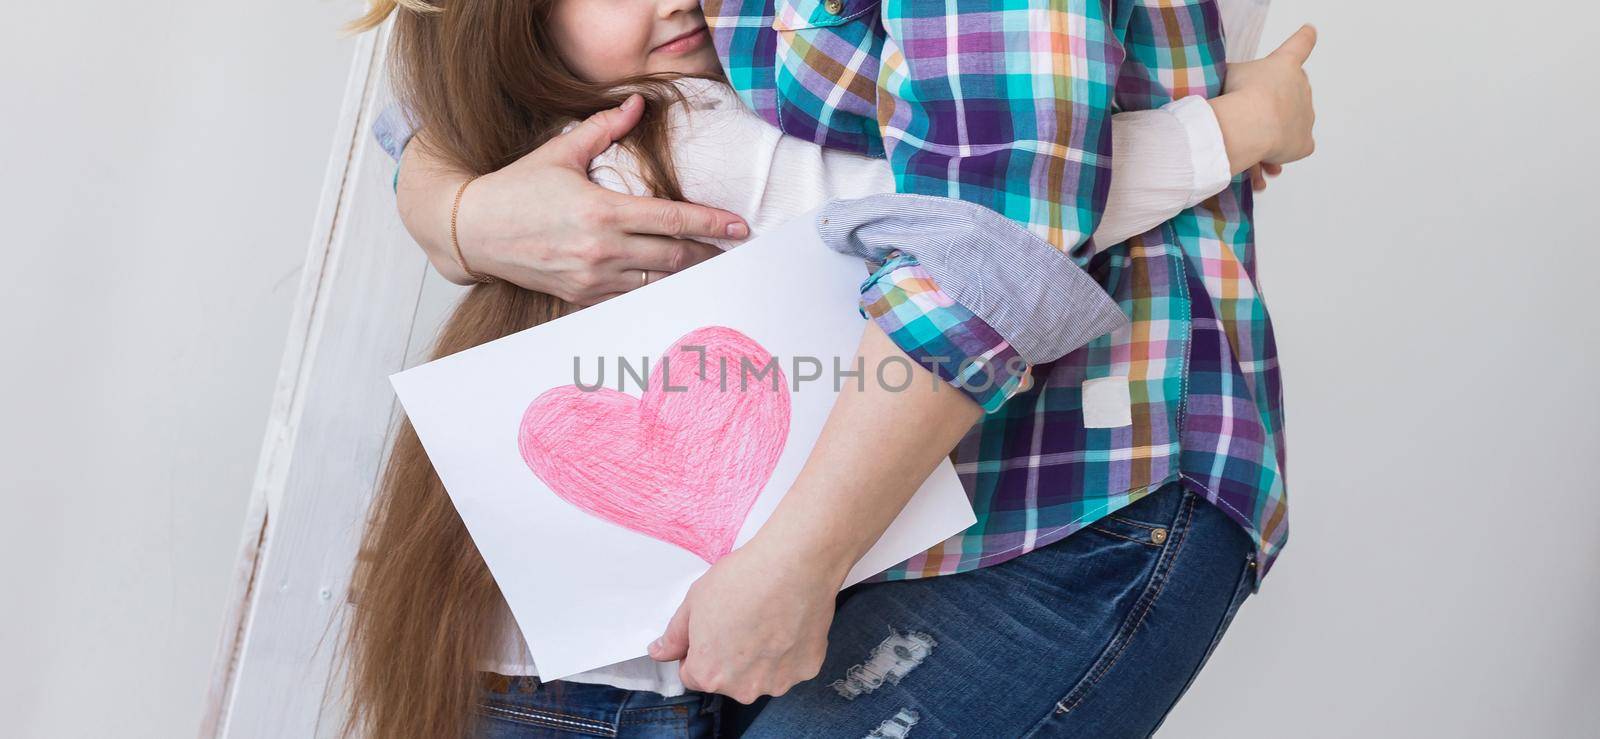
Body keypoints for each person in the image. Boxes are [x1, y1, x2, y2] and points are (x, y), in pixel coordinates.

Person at [343, 0, 1315, 735]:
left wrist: (452, 209)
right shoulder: (681, 134)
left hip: (582, 641)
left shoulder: (578, 141)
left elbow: (989, 207)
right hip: (626, 649)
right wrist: (1234, 128)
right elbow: (956, 210)